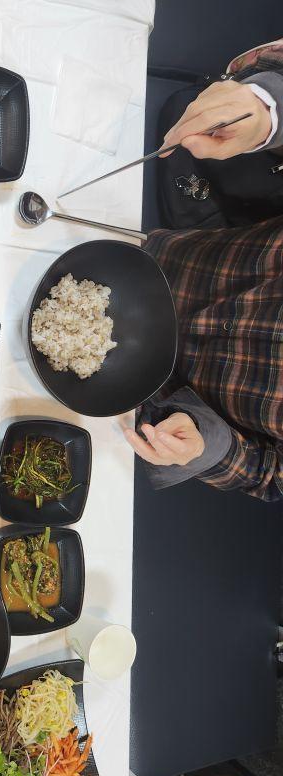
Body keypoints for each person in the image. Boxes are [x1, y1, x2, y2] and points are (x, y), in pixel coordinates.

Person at [124, 40, 283, 501]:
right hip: (156, 261)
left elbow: (269, 474)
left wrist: (208, 447)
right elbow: (268, 65)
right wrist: (268, 108)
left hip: (139, 395)